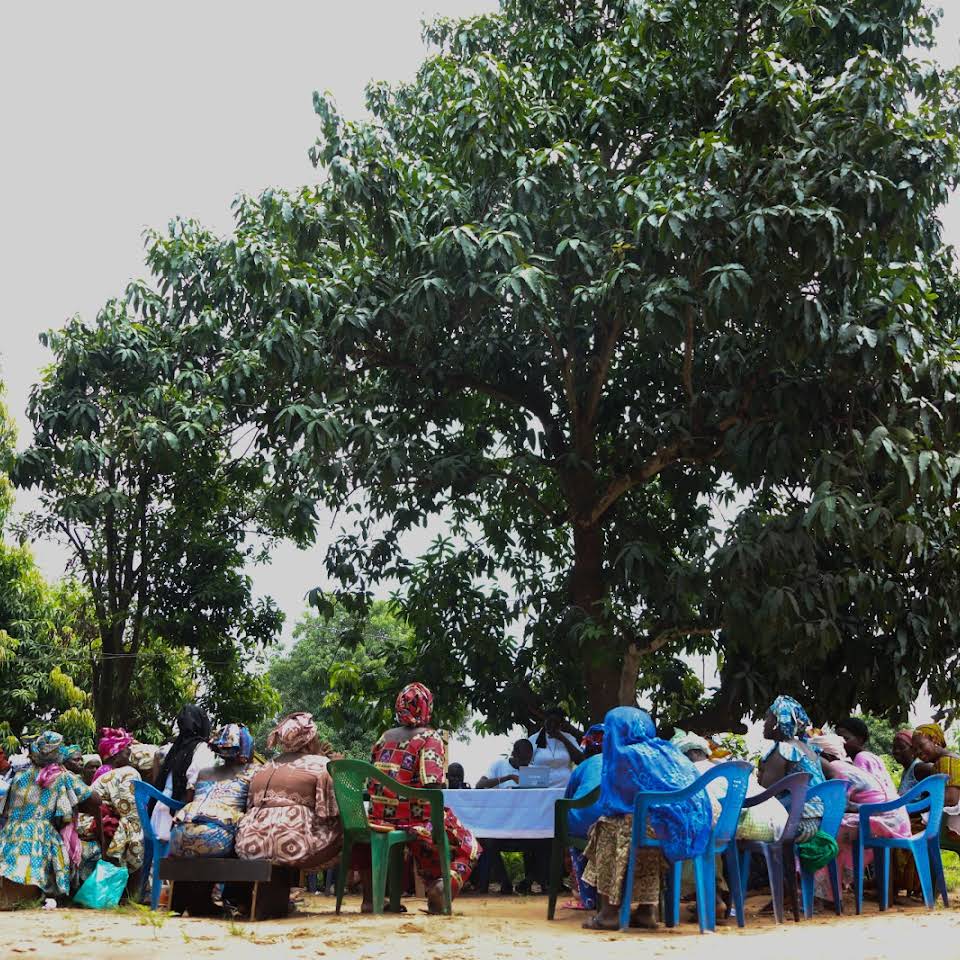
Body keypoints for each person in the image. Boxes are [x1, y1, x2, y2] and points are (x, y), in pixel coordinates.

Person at [581, 706, 711, 931]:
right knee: (641, 824)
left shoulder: (624, 754)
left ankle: (609, 913)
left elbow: (616, 802)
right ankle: (646, 911)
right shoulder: (666, 749)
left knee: (606, 827)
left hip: (657, 825)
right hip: (687, 827)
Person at [365, 682, 480, 913]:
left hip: (379, 819)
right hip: (416, 820)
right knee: (470, 844)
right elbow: (433, 784)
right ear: (426, 707)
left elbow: (371, 778)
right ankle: (441, 887)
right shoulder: (430, 737)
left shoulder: (383, 737)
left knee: (429, 838)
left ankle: (427, 887)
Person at [0, 731, 99, 904]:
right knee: (79, 850)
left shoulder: (19, 776)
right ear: (56, 753)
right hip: (38, 834)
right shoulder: (61, 775)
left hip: (10, 832)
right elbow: (94, 798)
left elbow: (7, 809)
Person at [236, 712, 342, 871]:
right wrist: (339, 770)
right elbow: (330, 810)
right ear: (310, 739)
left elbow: (249, 806)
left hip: (248, 848)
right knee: (347, 826)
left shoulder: (263, 768)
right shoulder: (322, 765)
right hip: (295, 850)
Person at [812, 733, 911, 906]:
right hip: (896, 818)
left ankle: (827, 895)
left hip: (884, 819)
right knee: (836, 830)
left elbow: (838, 804)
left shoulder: (836, 768)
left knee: (826, 835)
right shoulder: (847, 766)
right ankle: (832, 892)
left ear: (825, 756)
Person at [169, 724, 259, 858]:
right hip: (215, 840)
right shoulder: (252, 772)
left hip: (177, 839)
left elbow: (190, 801)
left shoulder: (204, 773)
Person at [759, 695, 825, 841]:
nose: (764, 723)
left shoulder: (784, 749)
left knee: (739, 830)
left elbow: (764, 795)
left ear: (778, 721)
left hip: (799, 824)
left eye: (767, 718)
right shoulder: (810, 751)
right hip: (822, 823)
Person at [150, 705, 215, 845]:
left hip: (158, 811)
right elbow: (192, 787)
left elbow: (157, 757)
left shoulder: (174, 747)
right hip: (175, 815)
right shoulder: (202, 749)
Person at [93, 728, 145, 874]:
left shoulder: (109, 770)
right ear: (115, 754)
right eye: (126, 748)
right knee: (134, 828)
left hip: (103, 814)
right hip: (100, 818)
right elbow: (125, 807)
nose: (130, 752)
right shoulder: (110, 772)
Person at [565, 723, 604, 909]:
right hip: (618, 825)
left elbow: (568, 800)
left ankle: (587, 897)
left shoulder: (582, 767)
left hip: (582, 826)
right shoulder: (623, 765)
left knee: (576, 833)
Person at [837, 717, 899, 799]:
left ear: (860, 739)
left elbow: (862, 789)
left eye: (845, 738)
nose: (840, 742)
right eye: (837, 738)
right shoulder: (872, 757)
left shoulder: (861, 757)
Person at [528, 707, 583, 788]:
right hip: (540, 788)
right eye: (550, 721)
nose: (552, 725)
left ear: (561, 724)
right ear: (544, 721)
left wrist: (562, 739)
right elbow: (524, 764)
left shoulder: (569, 738)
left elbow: (580, 760)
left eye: (556, 722)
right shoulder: (534, 739)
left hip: (565, 787)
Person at [893, 728, 931, 797]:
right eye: (894, 748)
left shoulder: (919, 768)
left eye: (901, 747)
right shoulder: (907, 770)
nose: (896, 751)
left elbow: (940, 776)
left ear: (913, 749)